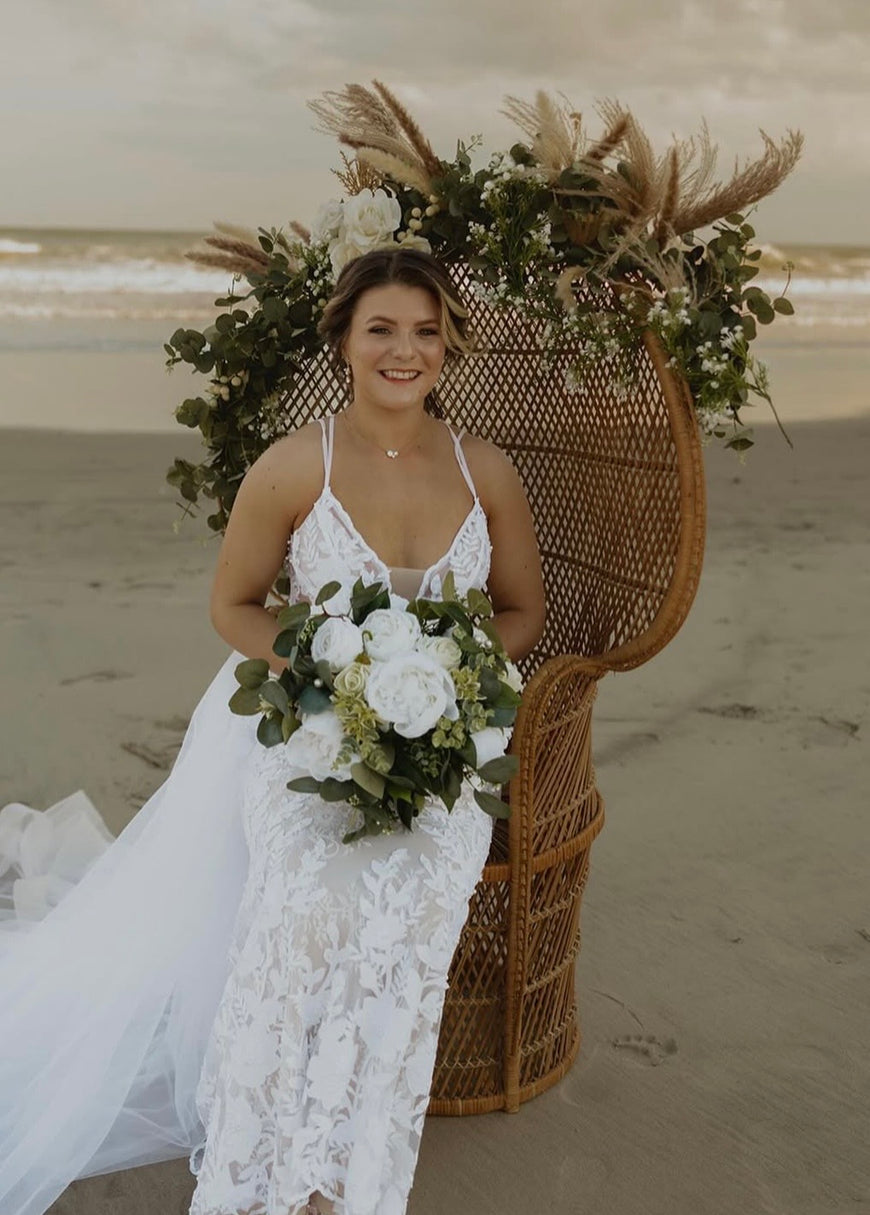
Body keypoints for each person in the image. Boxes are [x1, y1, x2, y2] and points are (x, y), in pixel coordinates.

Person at [0, 247, 545, 1215]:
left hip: (447, 742)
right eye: (382, 329)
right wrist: (336, 674)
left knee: (418, 904)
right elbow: (234, 605)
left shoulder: (486, 470)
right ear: (344, 341)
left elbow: (521, 611)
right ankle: (258, 1173)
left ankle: (348, 1176)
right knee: (303, 903)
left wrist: (449, 677)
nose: (405, 351)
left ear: (447, 347)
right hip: (308, 725)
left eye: (426, 332)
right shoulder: (298, 465)